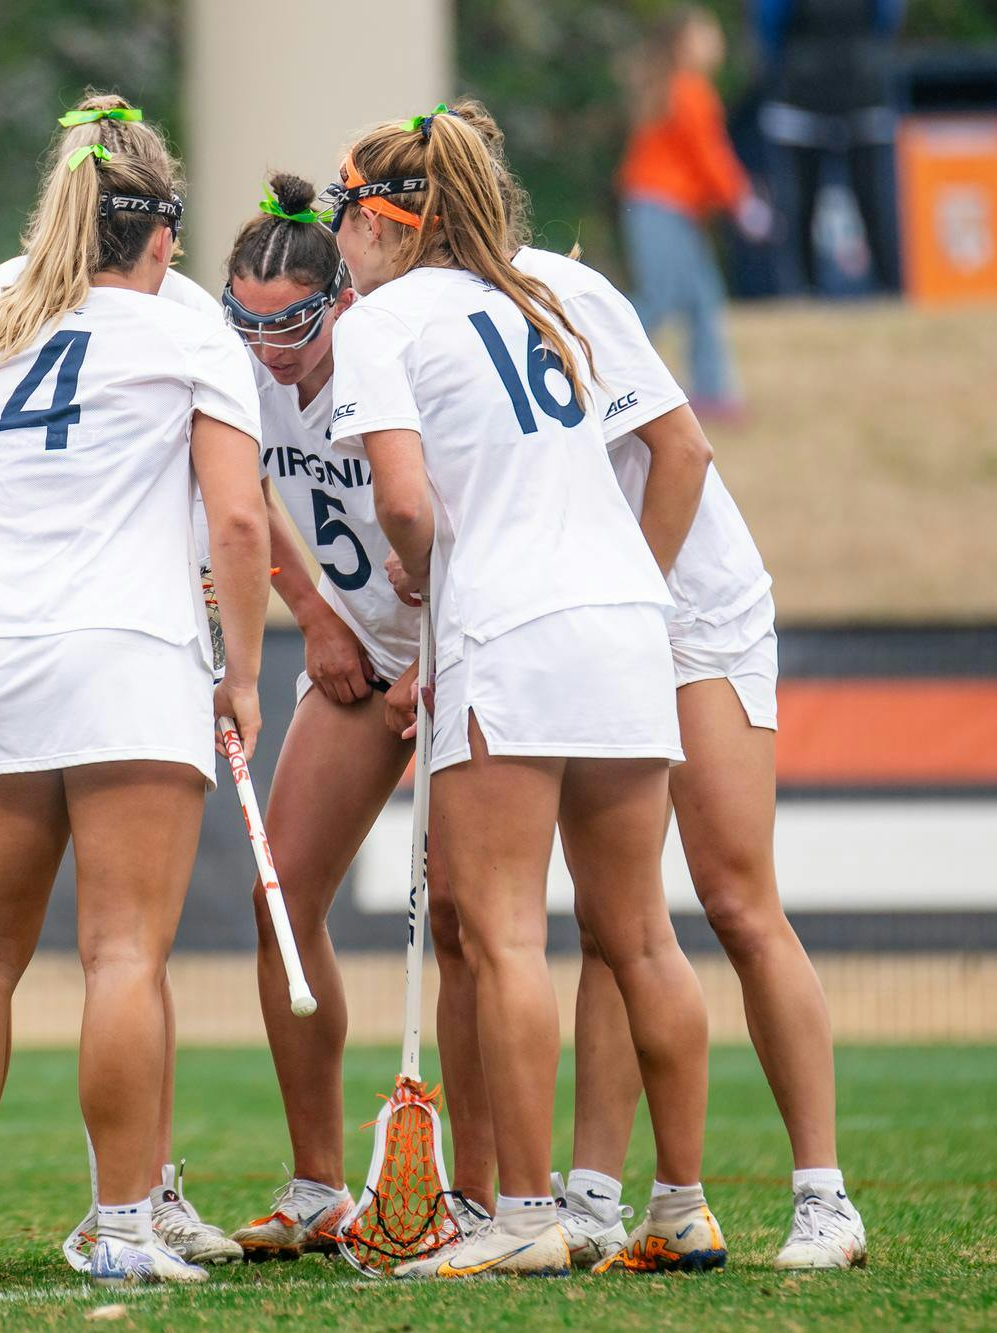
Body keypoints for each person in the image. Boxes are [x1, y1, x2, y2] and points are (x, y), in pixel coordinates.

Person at [329, 105, 719, 1280]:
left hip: (506, 625)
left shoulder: (379, 319)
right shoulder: (560, 288)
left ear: (385, 219)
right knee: (638, 932)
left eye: (344, 214)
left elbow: (403, 502)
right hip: (623, 622)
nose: (334, 239)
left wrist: (418, 569)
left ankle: (528, 1210)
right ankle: (682, 1206)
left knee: (501, 935)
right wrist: (612, 591)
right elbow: (683, 455)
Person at [0, 93, 268, 1288]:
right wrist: (248, 674)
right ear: (160, 234)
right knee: (121, 957)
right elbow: (240, 522)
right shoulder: (187, 331)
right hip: (130, 656)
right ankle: (119, 1226)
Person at [207, 172, 458, 1258]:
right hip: (358, 657)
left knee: (469, 928)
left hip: (473, 648)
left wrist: (443, 640)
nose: (268, 347)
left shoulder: (385, 352)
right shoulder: (237, 374)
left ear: (338, 300)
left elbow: (486, 500)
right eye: (245, 321)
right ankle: (317, 1185)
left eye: (291, 324)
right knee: (282, 901)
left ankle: (507, 1195)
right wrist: (311, 611)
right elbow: (235, 499)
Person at [617, 5, 770, 419]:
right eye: (708, 34)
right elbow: (710, 157)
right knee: (661, 298)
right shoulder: (690, 90)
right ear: (687, 43)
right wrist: (742, 202)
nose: (716, 43)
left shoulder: (680, 87)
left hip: (667, 210)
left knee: (702, 298)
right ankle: (606, 369)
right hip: (661, 208)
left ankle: (711, 393)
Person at [756, 0, 904, 294]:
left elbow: (887, 16)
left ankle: (887, 286)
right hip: (811, 81)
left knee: (870, 195)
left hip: (848, 79)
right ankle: (805, 290)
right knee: (802, 198)